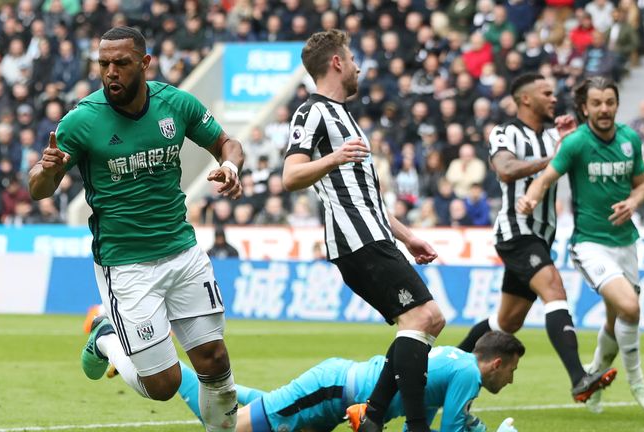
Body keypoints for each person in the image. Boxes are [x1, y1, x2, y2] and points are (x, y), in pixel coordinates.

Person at [27, 27, 244, 431]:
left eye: (121, 64)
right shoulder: (82, 120)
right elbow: (38, 188)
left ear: (144, 63)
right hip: (126, 266)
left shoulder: (175, 103)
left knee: (216, 365)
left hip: (183, 252)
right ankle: (106, 338)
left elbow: (227, 143)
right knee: (164, 384)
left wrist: (230, 167)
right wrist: (49, 170)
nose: (111, 72)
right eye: (104, 64)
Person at [281, 30, 446, 432]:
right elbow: (290, 176)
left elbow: (367, 197)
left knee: (425, 321)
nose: (358, 66)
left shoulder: (346, 116)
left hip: (375, 234)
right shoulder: (312, 112)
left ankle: (372, 417)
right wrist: (335, 156)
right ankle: (408, 424)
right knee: (424, 316)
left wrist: (408, 236)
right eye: (352, 58)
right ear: (336, 62)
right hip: (356, 241)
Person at [455, 73, 616, 403]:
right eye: (547, 93)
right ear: (525, 99)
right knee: (554, 289)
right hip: (517, 231)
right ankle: (578, 378)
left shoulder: (556, 135)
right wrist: (557, 157)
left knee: (506, 322)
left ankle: (442, 367)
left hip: (541, 237)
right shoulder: (505, 132)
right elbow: (505, 169)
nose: (554, 99)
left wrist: (574, 138)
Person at [518, 76, 644, 413]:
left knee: (616, 320)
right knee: (630, 307)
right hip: (590, 245)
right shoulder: (576, 144)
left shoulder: (629, 140)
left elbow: (641, 186)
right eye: (596, 103)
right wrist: (530, 197)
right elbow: (545, 179)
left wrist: (634, 201)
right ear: (585, 108)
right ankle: (637, 381)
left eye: (609, 102)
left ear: (616, 104)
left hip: (625, 242)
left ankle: (593, 378)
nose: (604, 109)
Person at [128, 331, 521, 432]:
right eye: (512, 370)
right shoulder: (468, 372)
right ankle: (147, 358)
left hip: (336, 393)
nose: (512, 379)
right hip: (334, 390)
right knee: (227, 426)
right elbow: (452, 428)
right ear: (496, 363)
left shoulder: (455, 361)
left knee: (265, 408)